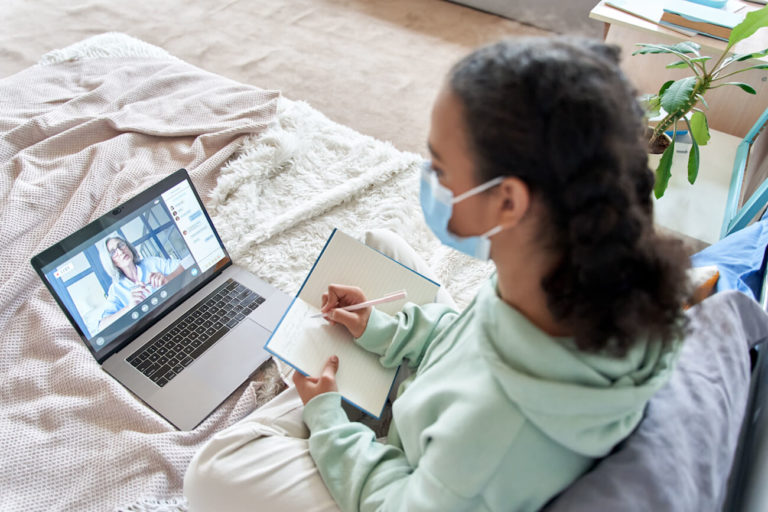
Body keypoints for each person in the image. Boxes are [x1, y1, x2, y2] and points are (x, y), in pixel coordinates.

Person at [183, 37, 690, 512]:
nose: (430, 180)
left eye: (442, 169)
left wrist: (326, 417)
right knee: (380, 246)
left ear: (508, 200)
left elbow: (399, 500)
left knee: (214, 471)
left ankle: (335, 396)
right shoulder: (557, 273)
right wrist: (383, 329)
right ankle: (354, 382)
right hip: (441, 402)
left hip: (419, 465)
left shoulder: (496, 433)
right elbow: (468, 337)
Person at [98, 236, 184, 329]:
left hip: (175, 313)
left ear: (128, 247)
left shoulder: (151, 263)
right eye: (113, 252)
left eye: (121, 245)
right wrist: (129, 307)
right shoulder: (115, 290)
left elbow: (188, 262)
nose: (120, 251)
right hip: (149, 329)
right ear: (111, 262)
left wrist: (169, 278)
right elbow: (102, 326)